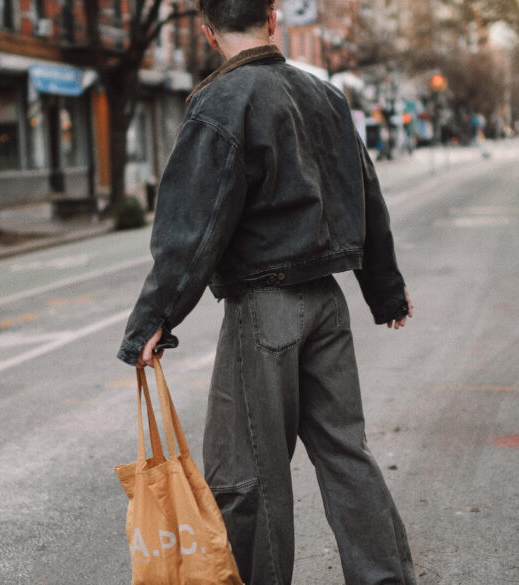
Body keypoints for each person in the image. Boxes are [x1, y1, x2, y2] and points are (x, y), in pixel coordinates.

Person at [117, 1, 416, 584]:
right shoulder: (327, 97)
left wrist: (154, 317)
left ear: (207, 33)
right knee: (346, 455)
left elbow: (193, 226)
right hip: (327, 303)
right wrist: (385, 290)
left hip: (265, 309)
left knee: (249, 475)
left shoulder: (220, 103)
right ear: (273, 20)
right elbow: (366, 192)